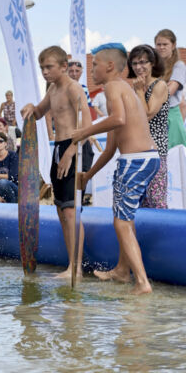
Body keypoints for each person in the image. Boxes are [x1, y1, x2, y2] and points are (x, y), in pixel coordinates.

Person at [72, 43, 159, 295]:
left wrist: (85, 132)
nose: (92, 71)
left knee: (121, 223)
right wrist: (88, 175)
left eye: (95, 65)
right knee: (125, 218)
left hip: (134, 160)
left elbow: (118, 119)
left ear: (110, 66)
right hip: (144, 159)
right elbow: (110, 148)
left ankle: (142, 282)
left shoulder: (112, 87)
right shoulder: (123, 90)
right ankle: (122, 270)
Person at [21, 45, 92, 280]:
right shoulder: (53, 89)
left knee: (71, 211)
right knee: (62, 210)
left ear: (63, 66)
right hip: (59, 149)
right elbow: (39, 113)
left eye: (49, 67)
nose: (44, 72)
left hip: (76, 147)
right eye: (42, 67)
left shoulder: (73, 88)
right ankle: (72, 264)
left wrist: (71, 151)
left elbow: (87, 124)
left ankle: (76, 269)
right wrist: (30, 108)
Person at [128, 44, 169, 209]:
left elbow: (147, 115)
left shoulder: (159, 85)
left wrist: (139, 91)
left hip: (155, 150)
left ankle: (164, 226)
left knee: (156, 200)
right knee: (140, 202)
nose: (139, 67)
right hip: (138, 149)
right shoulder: (135, 87)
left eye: (143, 62)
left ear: (152, 63)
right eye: (135, 63)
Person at [154, 29, 186, 149]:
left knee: (174, 156)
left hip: (171, 117)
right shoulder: (152, 67)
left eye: (165, 44)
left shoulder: (179, 66)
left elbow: (169, 92)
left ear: (173, 45)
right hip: (154, 116)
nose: (161, 47)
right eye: (158, 44)